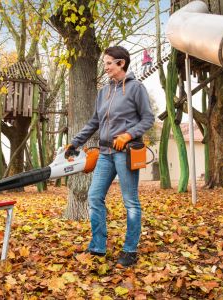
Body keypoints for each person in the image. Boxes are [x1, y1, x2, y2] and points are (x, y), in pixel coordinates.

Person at [65, 46, 155, 267]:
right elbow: (94, 122)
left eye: (108, 63)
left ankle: (130, 249)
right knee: (94, 197)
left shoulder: (136, 88)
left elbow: (148, 119)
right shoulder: (103, 92)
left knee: (130, 202)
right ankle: (97, 247)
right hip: (105, 154)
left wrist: (128, 134)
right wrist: (76, 142)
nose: (105, 67)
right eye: (104, 63)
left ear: (121, 63)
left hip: (126, 153)